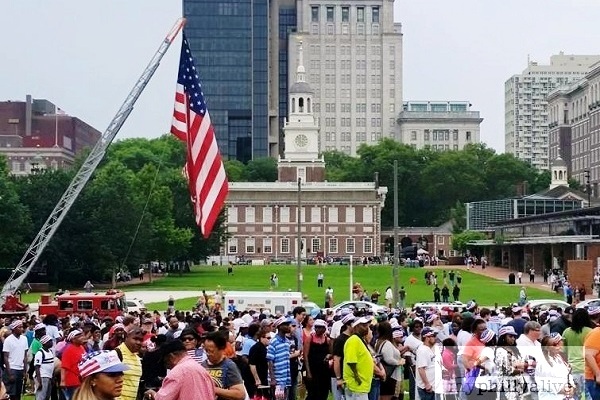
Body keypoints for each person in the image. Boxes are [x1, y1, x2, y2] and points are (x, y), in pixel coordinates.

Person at [143, 340, 215, 400]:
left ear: (171, 357)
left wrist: (152, 394)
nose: (167, 367)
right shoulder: (202, 370)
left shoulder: (177, 372)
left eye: (165, 362)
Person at [202, 331, 246, 400]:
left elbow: (240, 394)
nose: (208, 354)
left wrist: (213, 389)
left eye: (211, 351)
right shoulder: (202, 366)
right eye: (206, 350)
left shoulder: (229, 366)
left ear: (221, 349)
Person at [535, 334, 574, 400]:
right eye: (555, 345)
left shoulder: (559, 358)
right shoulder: (541, 361)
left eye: (559, 344)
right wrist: (562, 390)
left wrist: (571, 387)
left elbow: (567, 375)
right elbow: (543, 382)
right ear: (547, 347)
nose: (558, 347)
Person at [343, 317, 374, 400]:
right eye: (363, 325)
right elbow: (351, 361)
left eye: (367, 325)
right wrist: (357, 377)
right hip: (356, 385)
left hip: (361, 386)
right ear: (356, 327)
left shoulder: (360, 340)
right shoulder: (353, 340)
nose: (366, 328)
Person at [304, 319, 331, 400]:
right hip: (313, 369)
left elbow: (331, 353)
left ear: (324, 328)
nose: (318, 329)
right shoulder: (310, 338)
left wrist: (328, 356)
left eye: (320, 327)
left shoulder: (327, 340)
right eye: (316, 327)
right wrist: (308, 372)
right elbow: (305, 356)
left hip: (324, 370)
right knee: (313, 393)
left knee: (323, 392)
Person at [3, 320, 30, 400]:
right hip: (12, 369)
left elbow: (25, 356)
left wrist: (25, 370)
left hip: (20, 369)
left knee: (19, 393)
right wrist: (10, 373)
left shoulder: (24, 339)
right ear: (14, 329)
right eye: (19, 327)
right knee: (11, 394)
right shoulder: (8, 340)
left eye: (22, 327)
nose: (22, 329)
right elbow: (5, 357)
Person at [116, 326, 143, 400]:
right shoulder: (117, 353)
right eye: (135, 339)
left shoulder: (138, 358)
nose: (138, 342)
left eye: (141, 340)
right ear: (126, 337)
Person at [415, 327, 442, 400]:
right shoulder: (422, 350)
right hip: (426, 388)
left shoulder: (428, 349)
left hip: (432, 387)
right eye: (433, 336)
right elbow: (421, 369)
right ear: (427, 337)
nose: (435, 338)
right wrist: (427, 384)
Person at [61, 330, 87, 400]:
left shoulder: (81, 347)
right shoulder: (68, 350)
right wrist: (62, 381)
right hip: (72, 381)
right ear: (73, 339)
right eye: (79, 337)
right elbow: (64, 367)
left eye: (82, 336)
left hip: (81, 380)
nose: (82, 338)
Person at [33, 335, 54, 400]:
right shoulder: (40, 353)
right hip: (42, 377)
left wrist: (52, 377)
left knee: (47, 396)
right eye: (50, 341)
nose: (51, 342)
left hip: (49, 376)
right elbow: (37, 367)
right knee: (41, 396)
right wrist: (39, 381)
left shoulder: (50, 351)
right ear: (45, 343)